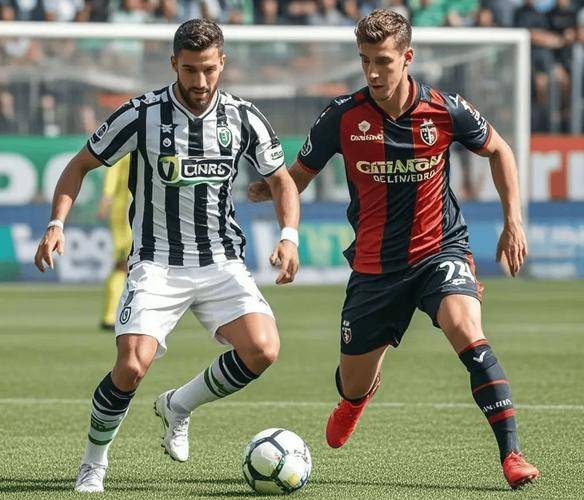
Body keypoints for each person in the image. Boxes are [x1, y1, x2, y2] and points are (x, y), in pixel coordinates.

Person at [249, 8, 539, 489]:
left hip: (440, 250)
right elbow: (298, 176)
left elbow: (499, 150)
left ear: (407, 58)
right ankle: (356, 399)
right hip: (374, 268)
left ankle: (512, 455)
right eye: (365, 61)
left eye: (383, 61)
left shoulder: (445, 109)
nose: (373, 72)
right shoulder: (342, 116)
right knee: (352, 381)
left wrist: (514, 222)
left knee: (468, 332)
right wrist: (270, 195)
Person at [34, 18, 300, 493]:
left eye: (209, 69)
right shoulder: (142, 114)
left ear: (223, 64)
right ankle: (93, 463)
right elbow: (81, 163)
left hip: (221, 260)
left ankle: (178, 405)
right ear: (174, 63)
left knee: (263, 349)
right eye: (190, 69)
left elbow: (281, 180)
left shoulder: (244, 117)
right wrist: (57, 223)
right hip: (156, 262)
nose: (200, 80)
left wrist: (289, 235)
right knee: (131, 366)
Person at [96, 154, 132, 331]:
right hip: (126, 213)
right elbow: (113, 170)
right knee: (123, 265)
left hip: (141, 212)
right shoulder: (127, 145)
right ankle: (110, 317)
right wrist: (106, 198)